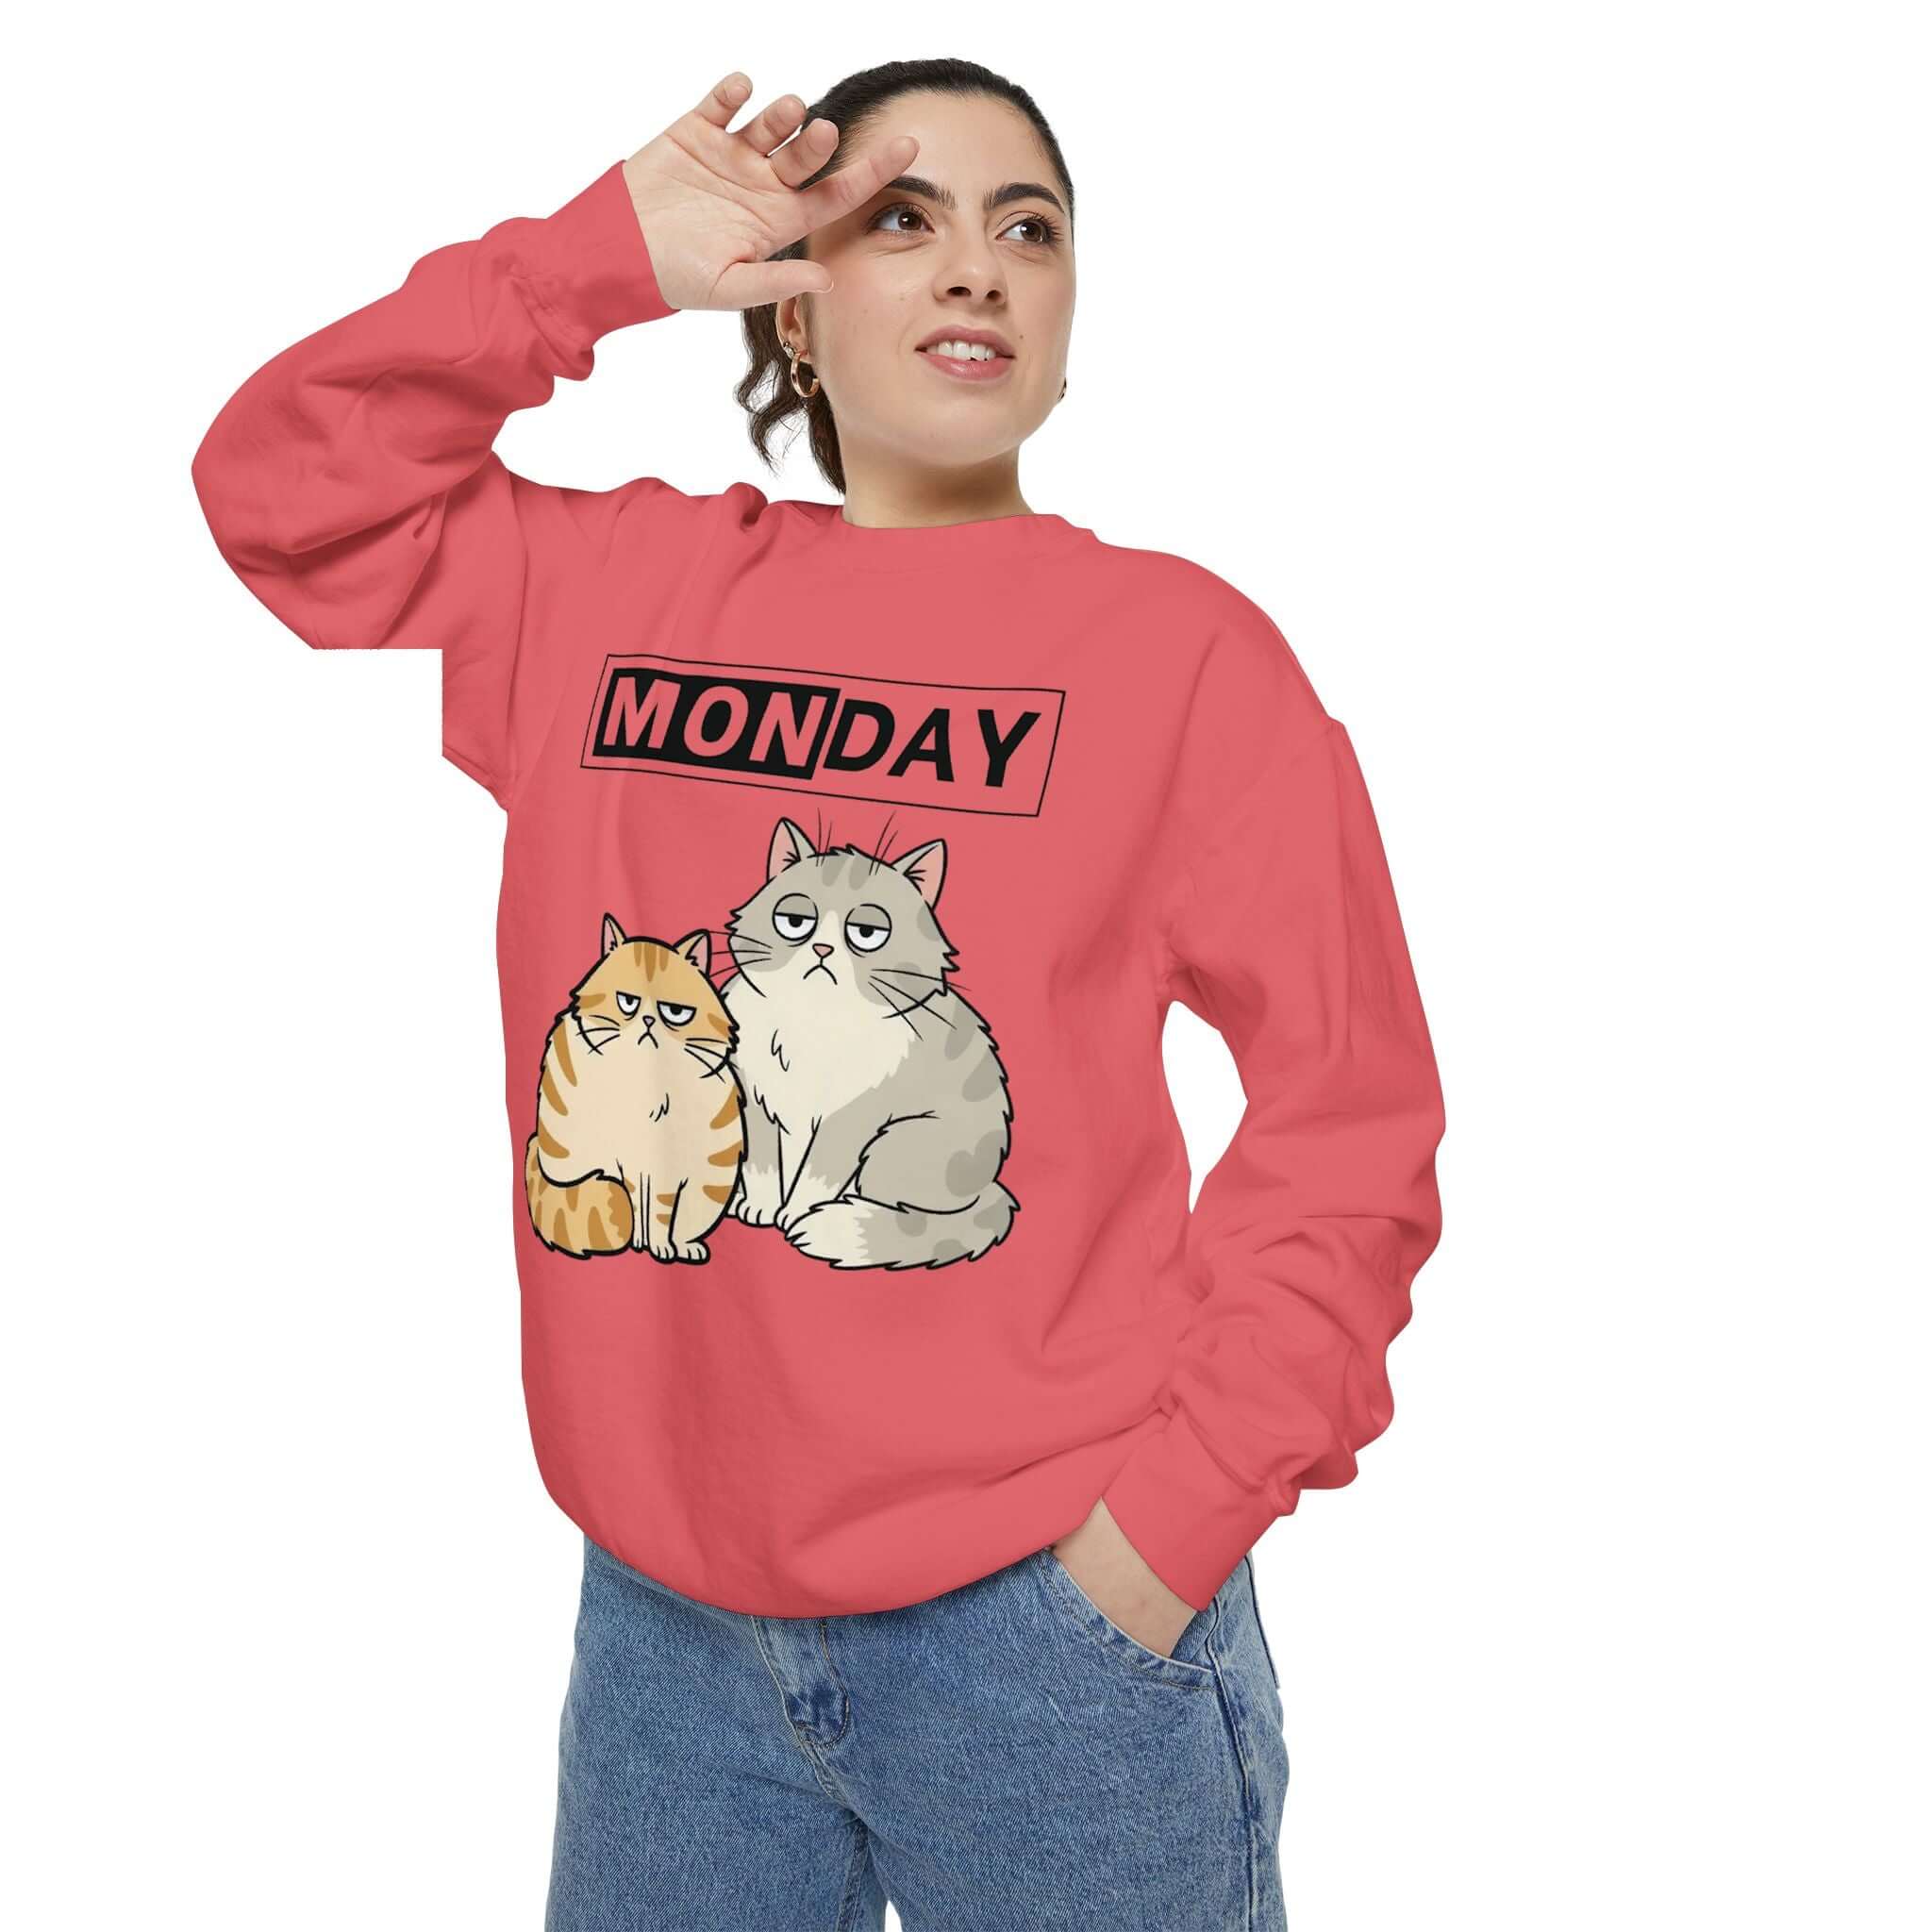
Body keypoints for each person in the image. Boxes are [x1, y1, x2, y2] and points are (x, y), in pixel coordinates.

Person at [192, 58, 1445, 1932]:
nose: (977, 267)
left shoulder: (1183, 657)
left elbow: (1351, 1120)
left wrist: (1163, 1535)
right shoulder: (610, 595)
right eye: (901, 219)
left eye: (1029, 228)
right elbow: (281, 493)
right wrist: (593, 260)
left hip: (1050, 1632)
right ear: (790, 297)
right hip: (666, 1636)